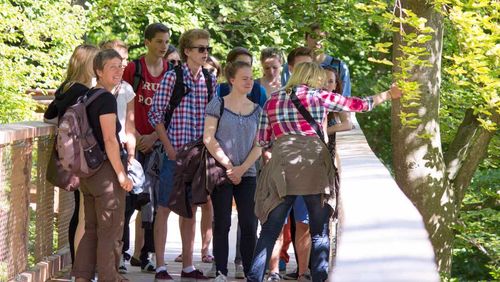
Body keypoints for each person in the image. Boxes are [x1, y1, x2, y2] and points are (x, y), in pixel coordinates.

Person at [247, 61, 401, 282]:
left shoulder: (273, 100)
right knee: (319, 233)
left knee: (270, 231)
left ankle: (254, 278)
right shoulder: (319, 97)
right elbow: (359, 104)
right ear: (314, 78)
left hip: (282, 167)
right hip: (314, 166)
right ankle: (319, 278)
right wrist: (388, 94)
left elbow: (262, 139)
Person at [148, 28, 216, 281]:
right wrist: (168, 147)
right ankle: (160, 266)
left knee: (191, 209)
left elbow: (213, 118)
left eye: (207, 48)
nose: (205, 53)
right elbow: (155, 114)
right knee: (164, 208)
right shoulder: (172, 77)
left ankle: (188, 266)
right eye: (200, 48)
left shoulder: (210, 80)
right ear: (187, 50)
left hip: (197, 156)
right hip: (173, 154)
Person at [71, 48, 133, 282]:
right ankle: (110, 277)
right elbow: (109, 139)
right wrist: (120, 174)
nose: (119, 71)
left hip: (88, 173)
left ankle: (82, 277)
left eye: (120, 66)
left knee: (92, 229)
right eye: (112, 67)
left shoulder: (86, 96)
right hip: (105, 173)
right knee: (110, 230)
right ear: (98, 70)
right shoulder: (106, 98)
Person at [203, 61, 261, 281]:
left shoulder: (257, 109)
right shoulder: (217, 104)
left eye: (251, 77)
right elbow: (208, 137)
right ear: (232, 80)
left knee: (248, 223)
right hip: (221, 172)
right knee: (222, 222)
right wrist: (228, 166)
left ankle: (249, 272)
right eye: (244, 78)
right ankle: (221, 271)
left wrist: (243, 168)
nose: (249, 81)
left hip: (248, 174)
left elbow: (260, 143)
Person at [122, 22, 171, 273]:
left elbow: (172, 110)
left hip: (158, 143)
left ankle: (147, 253)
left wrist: (154, 136)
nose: (163, 46)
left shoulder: (171, 71)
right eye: (159, 41)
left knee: (152, 201)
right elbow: (122, 103)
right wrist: (136, 134)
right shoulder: (134, 69)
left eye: (166, 41)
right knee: (129, 199)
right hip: (134, 141)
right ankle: (122, 252)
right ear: (147, 42)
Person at [43, 44, 99, 264]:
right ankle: (81, 266)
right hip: (82, 157)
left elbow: (49, 117)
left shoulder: (66, 87)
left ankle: (80, 264)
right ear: (87, 64)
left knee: (81, 210)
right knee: (84, 213)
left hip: (72, 156)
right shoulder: (81, 91)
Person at [100, 39, 139, 274]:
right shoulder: (96, 90)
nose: (120, 66)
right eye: (115, 61)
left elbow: (130, 124)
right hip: (99, 153)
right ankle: (94, 267)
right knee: (98, 213)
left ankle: (119, 258)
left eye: (123, 61)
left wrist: (132, 153)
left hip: (122, 149)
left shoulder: (126, 89)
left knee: (123, 208)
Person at [281, 23, 351, 98]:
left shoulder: (339, 66)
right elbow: (285, 94)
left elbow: (345, 98)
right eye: (313, 37)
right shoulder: (292, 65)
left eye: (321, 38)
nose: (317, 41)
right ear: (306, 38)